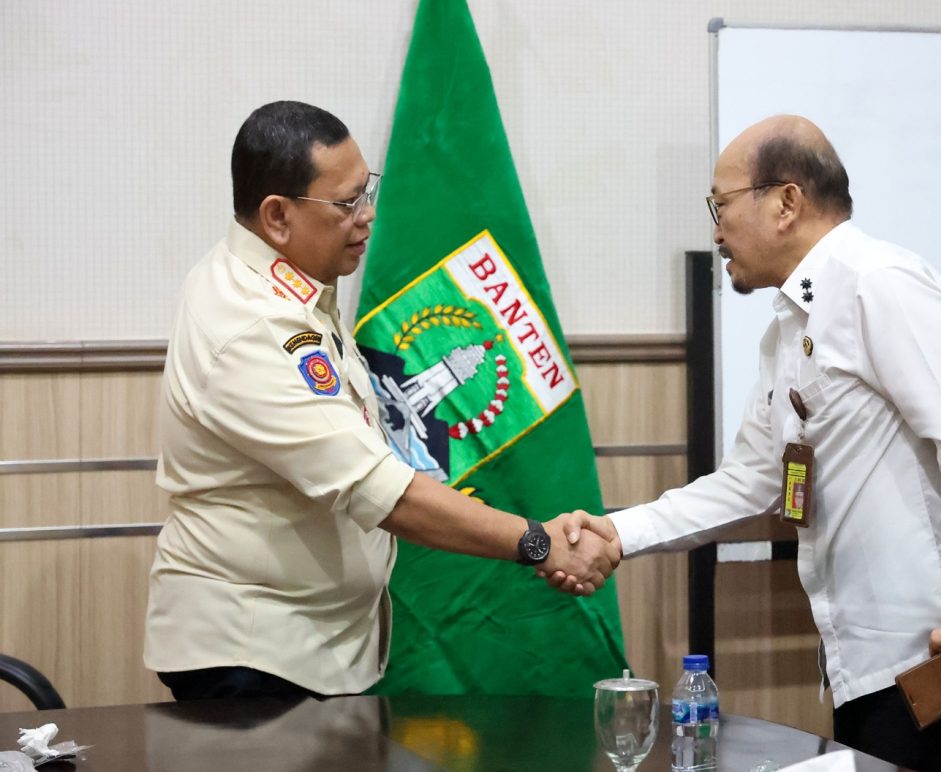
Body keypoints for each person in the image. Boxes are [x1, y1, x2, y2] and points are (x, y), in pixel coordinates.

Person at [547, 115, 941, 771]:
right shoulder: (786, 330)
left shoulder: (879, 282)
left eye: (721, 205)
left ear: (786, 201)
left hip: (925, 657)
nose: (715, 231)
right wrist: (617, 533)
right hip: (857, 664)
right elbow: (752, 482)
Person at [144, 101, 617, 702]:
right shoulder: (249, 324)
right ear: (277, 216)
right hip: (253, 653)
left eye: (366, 192)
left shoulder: (289, 288)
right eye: (346, 204)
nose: (368, 217)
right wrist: (538, 541)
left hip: (306, 645)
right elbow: (377, 489)